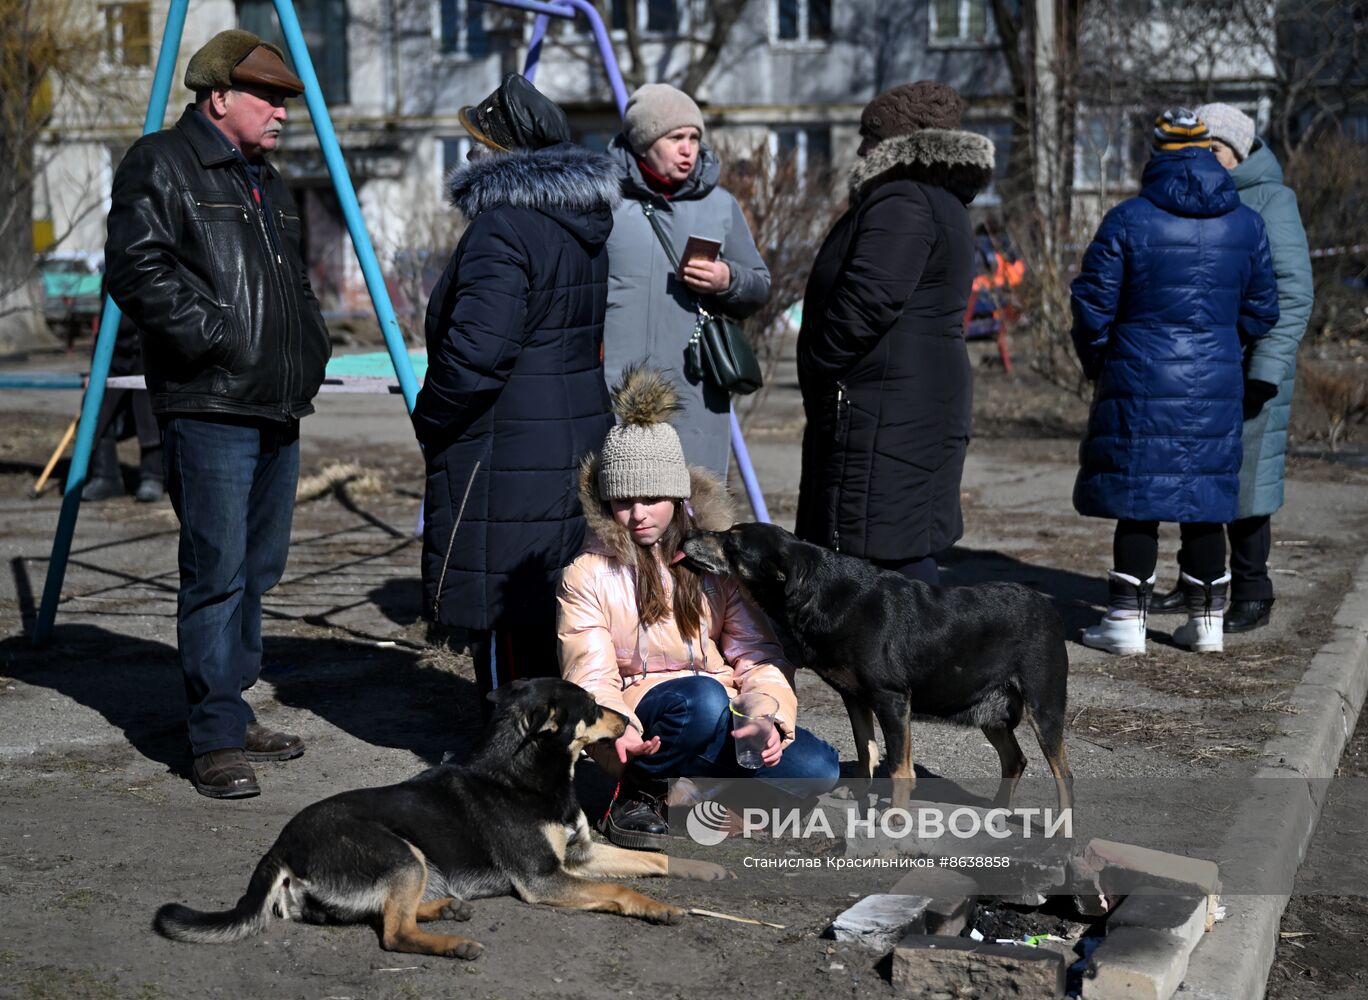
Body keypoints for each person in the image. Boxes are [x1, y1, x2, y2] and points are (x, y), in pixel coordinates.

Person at [105, 30, 330, 798]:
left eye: (286, 102)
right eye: (269, 99)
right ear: (218, 97)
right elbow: (135, 267)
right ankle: (211, 738)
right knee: (216, 571)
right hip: (210, 403)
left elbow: (289, 286)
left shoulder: (261, 178)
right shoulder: (162, 162)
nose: (282, 114)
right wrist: (219, 339)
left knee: (257, 570)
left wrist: (310, 345)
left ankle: (233, 710)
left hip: (275, 402)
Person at [559, 365, 840, 850]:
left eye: (652, 498)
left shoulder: (715, 562)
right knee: (702, 702)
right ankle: (638, 794)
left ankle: (692, 793)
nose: (638, 514)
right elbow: (590, 672)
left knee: (820, 770)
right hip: (643, 712)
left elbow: (757, 655)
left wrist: (765, 717)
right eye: (623, 501)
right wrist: (614, 728)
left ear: (678, 496)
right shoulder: (587, 572)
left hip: (720, 708)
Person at [413, 74, 618, 713]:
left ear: (500, 154)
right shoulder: (580, 226)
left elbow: (476, 353)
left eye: (475, 144)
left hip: (506, 446)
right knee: (548, 604)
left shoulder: (502, 230)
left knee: (505, 611)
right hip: (571, 437)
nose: (467, 157)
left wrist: (432, 418)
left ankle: (510, 762)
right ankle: (549, 743)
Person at [1071, 109, 1279, 656]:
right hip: (1214, 378)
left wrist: (1100, 360)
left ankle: (1124, 622)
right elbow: (1263, 310)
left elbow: (1092, 304)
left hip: (1139, 373)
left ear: (1158, 152)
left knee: (1139, 498)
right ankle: (1207, 623)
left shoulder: (1129, 219)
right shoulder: (1247, 223)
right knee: (1205, 497)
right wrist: (1223, 344)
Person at [795, 81, 994, 585]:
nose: (861, 149)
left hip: (883, 405)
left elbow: (869, 299)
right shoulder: (939, 200)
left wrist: (819, 363)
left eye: (871, 135)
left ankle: (904, 658)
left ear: (900, 140)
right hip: (906, 398)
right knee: (901, 538)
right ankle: (909, 654)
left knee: (883, 551)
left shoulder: (902, 199)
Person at [1151, 103, 1315, 634]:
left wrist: (1266, 366)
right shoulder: (1192, 193)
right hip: (1202, 365)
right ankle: (1196, 582)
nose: (1209, 160)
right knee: (1194, 476)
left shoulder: (1271, 199)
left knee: (1249, 483)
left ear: (1239, 153)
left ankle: (1252, 589)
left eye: (1217, 150)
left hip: (1252, 367)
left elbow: (1293, 292)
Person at [601, 83, 770, 477]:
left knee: (693, 514)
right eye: (675, 137)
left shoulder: (720, 205)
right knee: (617, 507)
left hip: (695, 393)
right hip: (614, 391)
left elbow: (759, 285)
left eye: (694, 137)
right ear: (644, 143)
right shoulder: (604, 203)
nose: (688, 149)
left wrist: (727, 279)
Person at [75, 296, 162, 503]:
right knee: (95, 405)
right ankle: (106, 477)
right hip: (115, 357)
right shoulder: (112, 273)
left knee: (148, 408)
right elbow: (104, 327)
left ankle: (154, 476)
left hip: (149, 353)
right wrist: (95, 369)